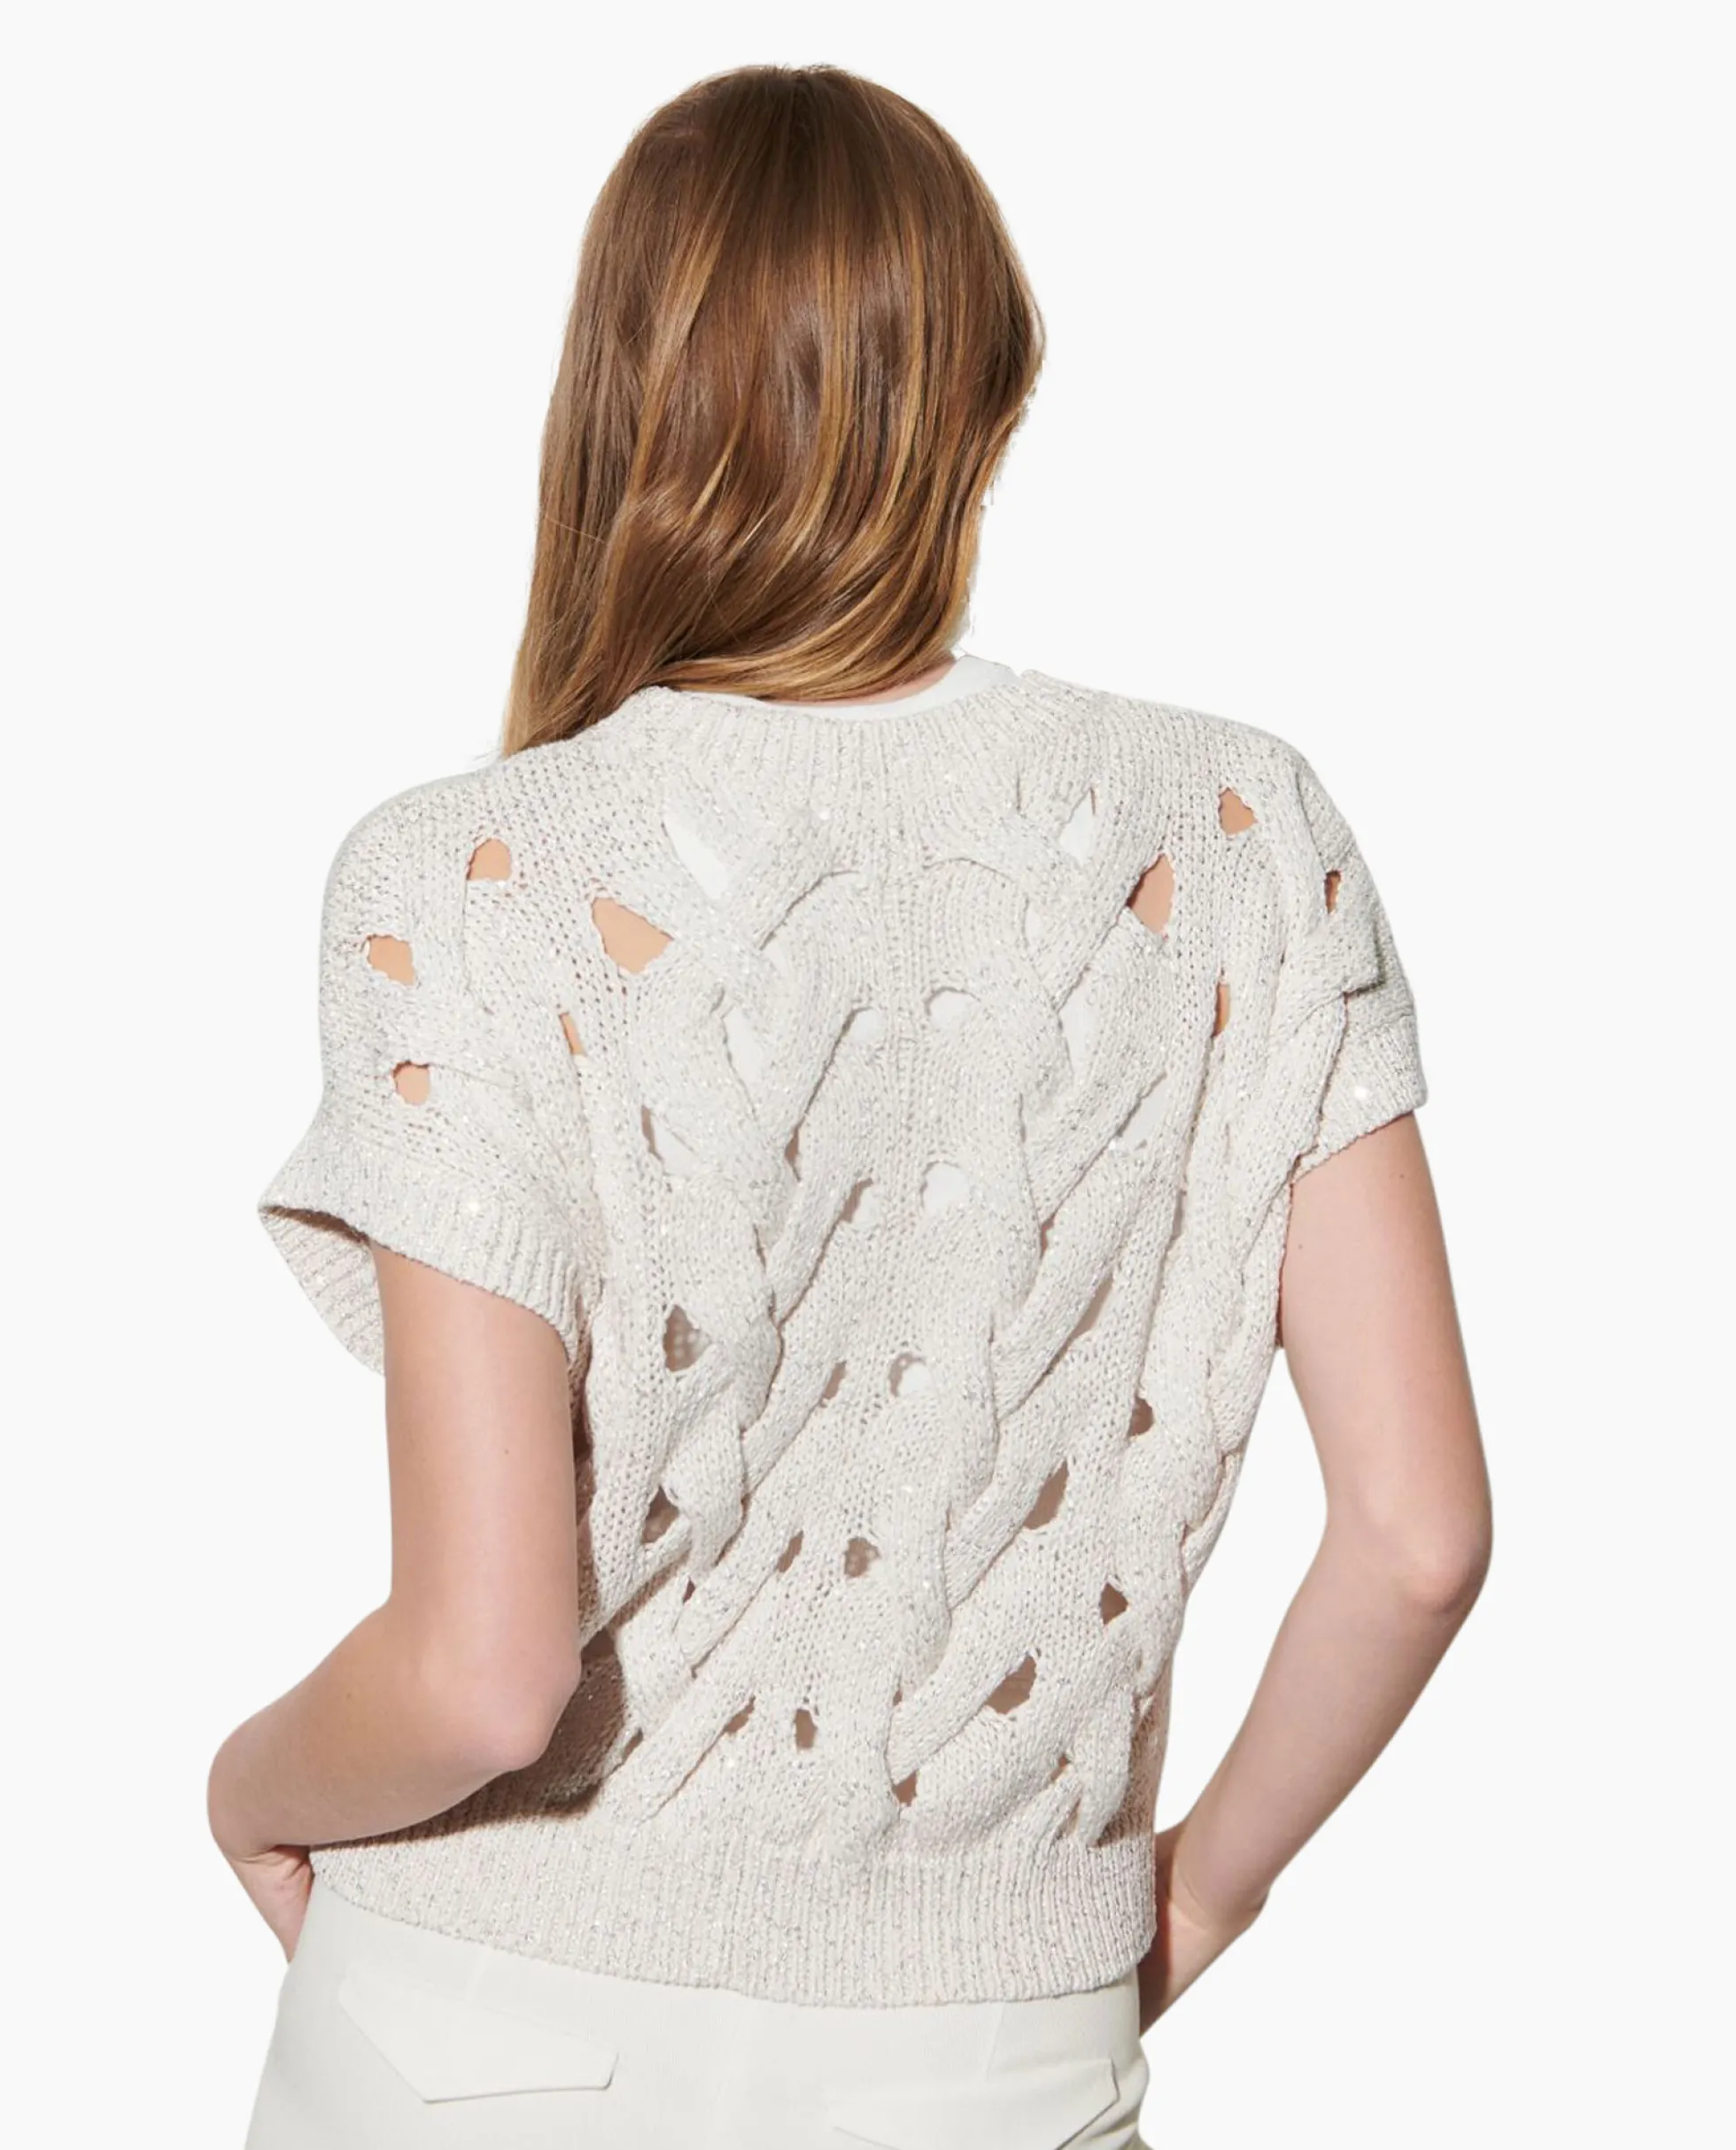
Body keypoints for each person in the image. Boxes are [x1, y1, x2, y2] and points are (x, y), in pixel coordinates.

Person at [211, 61, 1492, 2150]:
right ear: (985, 396)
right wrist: (1192, 1895)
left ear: (618, 401)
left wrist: (245, 1793)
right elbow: (1419, 1539)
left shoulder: (472, 879)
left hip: (483, 2030)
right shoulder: (1243, 835)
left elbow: (479, 1676)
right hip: (992, 2048)